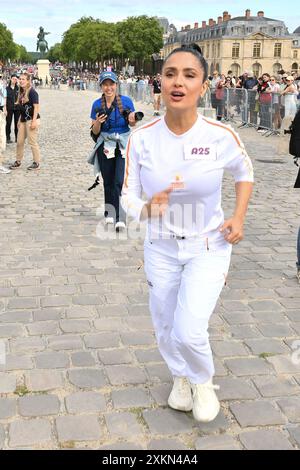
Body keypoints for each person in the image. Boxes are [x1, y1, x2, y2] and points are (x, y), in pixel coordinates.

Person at [122, 43, 253, 423]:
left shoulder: (220, 135)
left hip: (208, 245)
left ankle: (202, 380)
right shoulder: (142, 137)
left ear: (203, 85)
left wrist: (239, 217)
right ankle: (180, 377)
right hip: (160, 247)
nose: (178, 82)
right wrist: (146, 209)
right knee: (165, 325)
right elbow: (126, 194)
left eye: (189, 75)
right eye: (170, 74)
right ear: (160, 82)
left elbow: (245, 173)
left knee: (189, 327)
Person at [89, 71, 137, 231]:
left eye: (111, 84)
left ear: (116, 85)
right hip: (105, 145)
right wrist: (97, 122)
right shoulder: (96, 104)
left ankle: (120, 217)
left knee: (119, 182)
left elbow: (132, 125)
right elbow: (95, 132)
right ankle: (109, 212)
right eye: (105, 84)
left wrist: (132, 119)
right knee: (108, 181)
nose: (108, 87)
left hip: (123, 144)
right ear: (101, 86)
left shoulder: (126, 101)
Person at [9, 73, 41, 171]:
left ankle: (36, 162)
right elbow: (22, 109)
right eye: (20, 79)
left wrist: (34, 121)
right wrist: (19, 120)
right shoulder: (21, 92)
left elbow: (36, 107)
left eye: (23, 79)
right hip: (23, 120)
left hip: (32, 119)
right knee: (19, 142)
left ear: (28, 81)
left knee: (32, 142)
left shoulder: (32, 92)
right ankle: (18, 161)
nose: (21, 81)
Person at [6, 74, 20, 143]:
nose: (14, 80)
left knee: (17, 123)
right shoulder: (6, 89)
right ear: (11, 79)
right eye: (13, 78)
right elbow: (4, 99)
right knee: (8, 123)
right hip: (9, 108)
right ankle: (8, 137)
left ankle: (17, 137)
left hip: (17, 109)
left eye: (16, 79)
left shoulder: (19, 89)